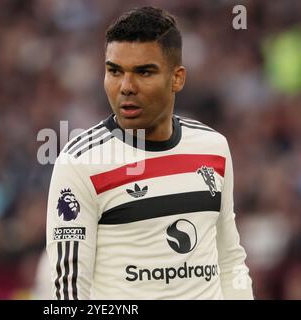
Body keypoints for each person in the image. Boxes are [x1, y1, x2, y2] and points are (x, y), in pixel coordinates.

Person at [45, 6, 254, 299]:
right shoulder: (81, 163)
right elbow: (68, 292)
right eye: (114, 71)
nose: (126, 87)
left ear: (177, 79)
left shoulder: (213, 148)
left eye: (144, 72)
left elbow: (230, 261)